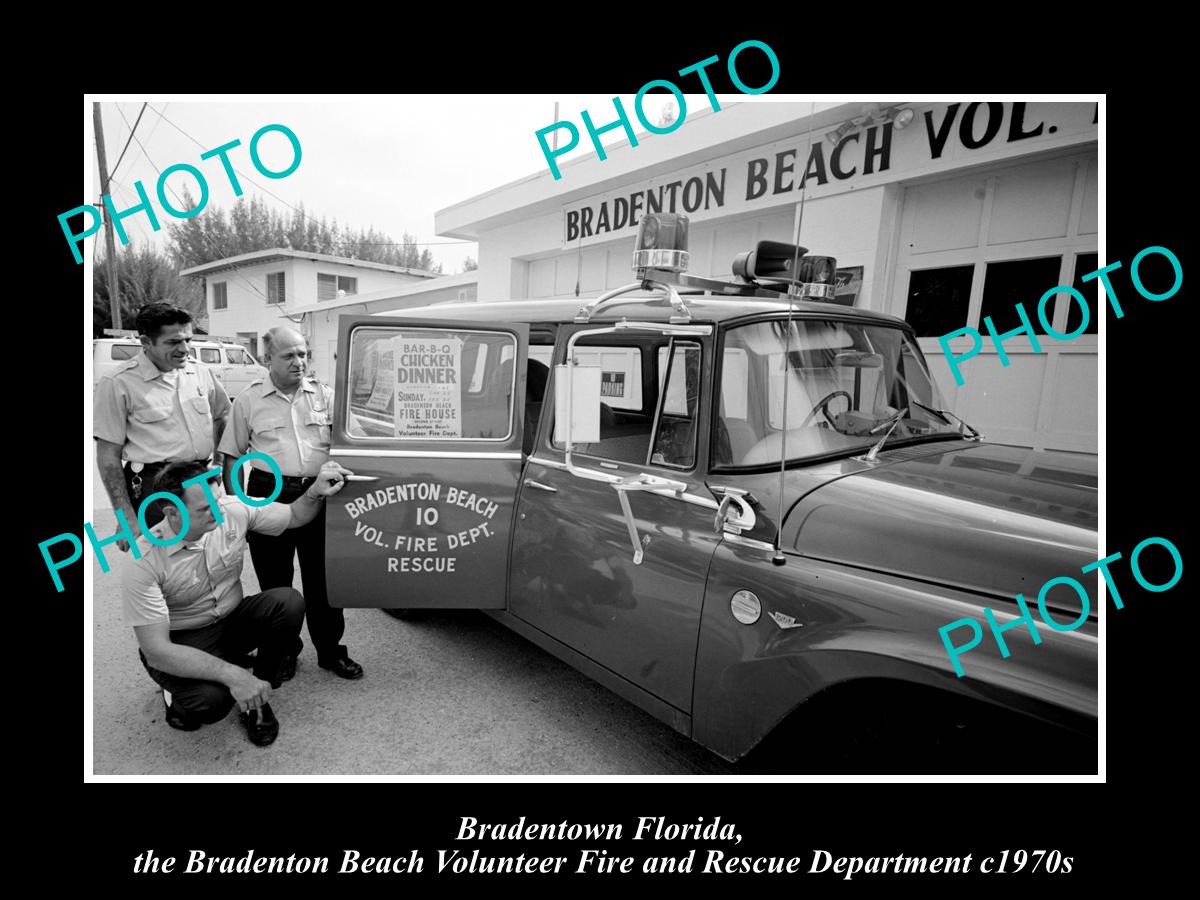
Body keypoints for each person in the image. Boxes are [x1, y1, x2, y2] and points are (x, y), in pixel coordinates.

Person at [123, 459, 352, 746]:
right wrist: (233, 675)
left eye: (218, 501)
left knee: (287, 602)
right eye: (206, 509)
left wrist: (316, 491)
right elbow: (156, 650)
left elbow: (295, 515)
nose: (219, 513)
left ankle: (258, 697)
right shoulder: (144, 560)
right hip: (183, 639)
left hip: (230, 621)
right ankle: (178, 695)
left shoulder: (231, 507)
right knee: (211, 703)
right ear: (172, 512)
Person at [219, 326, 364, 681]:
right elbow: (231, 460)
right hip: (269, 493)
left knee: (324, 583)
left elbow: (357, 442)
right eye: (289, 356)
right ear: (268, 359)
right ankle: (285, 652)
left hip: (322, 493)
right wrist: (241, 513)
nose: (299, 362)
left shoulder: (326, 396)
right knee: (277, 586)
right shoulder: (249, 401)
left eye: (303, 354)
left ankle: (331, 652)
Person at [94, 303, 230, 544]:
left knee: (211, 557)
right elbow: (108, 457)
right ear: (146, 342)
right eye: (173, 342)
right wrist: (125, 516)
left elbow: (222, 416)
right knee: (161, 565)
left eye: (188, 339)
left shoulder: (200, 372)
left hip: (202, 481)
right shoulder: (118, 383)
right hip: (154, 489)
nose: (185, 349)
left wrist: (218, 463)